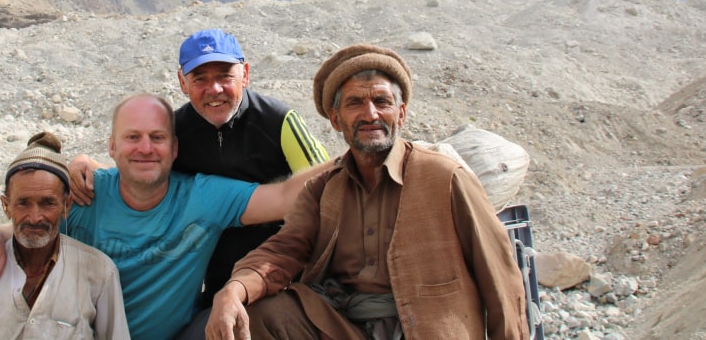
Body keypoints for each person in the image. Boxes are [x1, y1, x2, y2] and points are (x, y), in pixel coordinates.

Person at [206, 44, 530, 340]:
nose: (370, 114)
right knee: (261, 315)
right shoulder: (322, 189)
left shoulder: (445, 178)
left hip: (430, 328)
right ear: (336, 119)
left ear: (401, 113)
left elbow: (500, 278)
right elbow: (282, 251)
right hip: (347, 328)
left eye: (382, 102)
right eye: (355, 103)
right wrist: (235, 289)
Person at [0, 94, 324, 340]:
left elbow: (284, 196)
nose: (146, 148)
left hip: (177, 335)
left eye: (157, 137)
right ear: (112, 146)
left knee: (255, 318)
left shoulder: (203, 197)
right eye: (133, 137)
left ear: (175, 148)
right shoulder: (85, 194)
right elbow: (34, 224)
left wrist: (355, 154)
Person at [70, 29, 329, 306]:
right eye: (200, 79)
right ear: (182, 82)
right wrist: (88, 166)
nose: (214, 89)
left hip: (285, 273)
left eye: (224, 76)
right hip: (215, 281)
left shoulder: (278, 122)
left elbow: (327, 187)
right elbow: (142, 173)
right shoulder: (176, 131)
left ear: (245, 74)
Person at [0, 132, 129, 340]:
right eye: (23, 203)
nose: (35, 217)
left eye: (47, 203)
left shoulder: (98, 272)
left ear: (66, 206)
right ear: (6, 206)